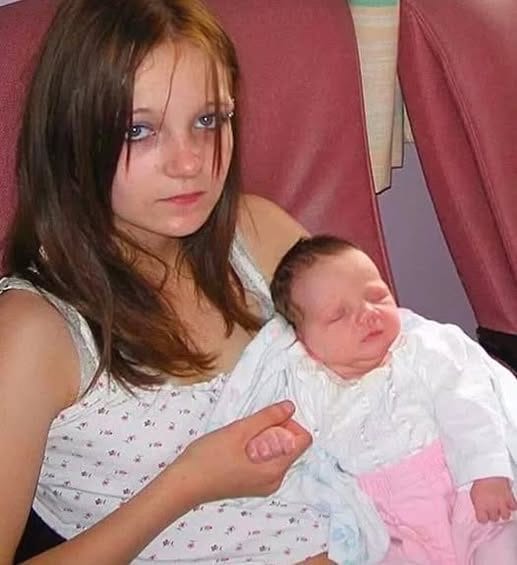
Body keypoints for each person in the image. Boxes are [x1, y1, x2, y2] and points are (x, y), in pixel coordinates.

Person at [0, 1, 336, 562]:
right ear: (72, 137)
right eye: (139, 130)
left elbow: (400, 371)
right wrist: (186, 484)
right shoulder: (35, 332)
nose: (189, 163)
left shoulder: (260, 239)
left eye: (209, 120)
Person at [209, 235, 517, 564]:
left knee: (501, 547)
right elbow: (298, 441)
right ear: (303, 339)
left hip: (464, 493)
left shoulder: (420, 349)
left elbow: (467, 402)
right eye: (339, 315)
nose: (368, 313)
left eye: (376, 296)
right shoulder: (308, 384)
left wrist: (486, 471)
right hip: (389, 528)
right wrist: (274, 440)